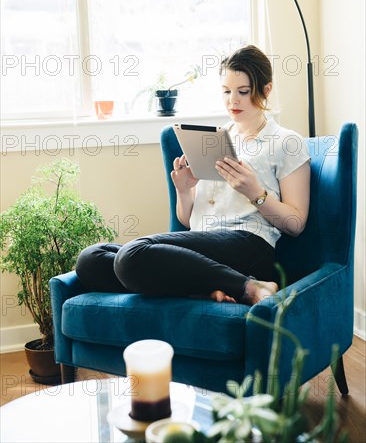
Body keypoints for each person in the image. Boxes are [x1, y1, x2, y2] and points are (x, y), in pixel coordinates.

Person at [76, 45, 310, 305]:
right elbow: (187, 221)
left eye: (243, 92)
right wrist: (184, 190)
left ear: (266, 90)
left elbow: (296, 224)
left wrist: (255, 193)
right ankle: (202, 286)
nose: (233, 100)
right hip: (202, 245)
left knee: (131, 256)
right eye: (226, 91)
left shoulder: (286, 142)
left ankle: (249, 286)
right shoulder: (214, 139)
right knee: (90, 260)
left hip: (248, 244)